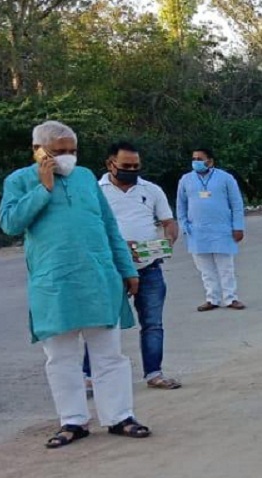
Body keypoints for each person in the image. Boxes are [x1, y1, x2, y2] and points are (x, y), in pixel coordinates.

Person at [0, 120, 150, 448]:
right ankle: (73, 421)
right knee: (61, 358)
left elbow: (108, 225)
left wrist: (128, 269)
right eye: (59, 151)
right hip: (54, 284)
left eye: (72, 151)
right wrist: (43, 187)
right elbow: (10, 224)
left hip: (99, 279)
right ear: (38, 151)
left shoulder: (84, 179)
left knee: (110, 355)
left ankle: (119, 416)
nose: (68, 157)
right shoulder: (20, 181)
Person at [82, 142, 181, 391]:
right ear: (110, 164)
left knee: (152, 323)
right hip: (109, 269)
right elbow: (88, 230)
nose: (131, 170)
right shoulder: (94, 191)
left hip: (148, 266)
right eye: (126, 166)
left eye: (136, 166)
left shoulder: (151, 190)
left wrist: (167, 240)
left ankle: (154, 373)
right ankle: (88, 376)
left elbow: (169, 222)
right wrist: (120, 246)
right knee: (101, 323)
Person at [177, 147, 246, 311]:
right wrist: (184, 225)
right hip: (197, 231)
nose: (196, 162)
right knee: (205, 269)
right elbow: (180, 204)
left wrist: (238, 227)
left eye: (200, 159)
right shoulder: (186, 180)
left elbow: (236, 204)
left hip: (222, 231)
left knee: (226, 268)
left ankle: (231, 298)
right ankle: (212, 298)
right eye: (194, 159)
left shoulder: (225, 178)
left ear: (210, 161)